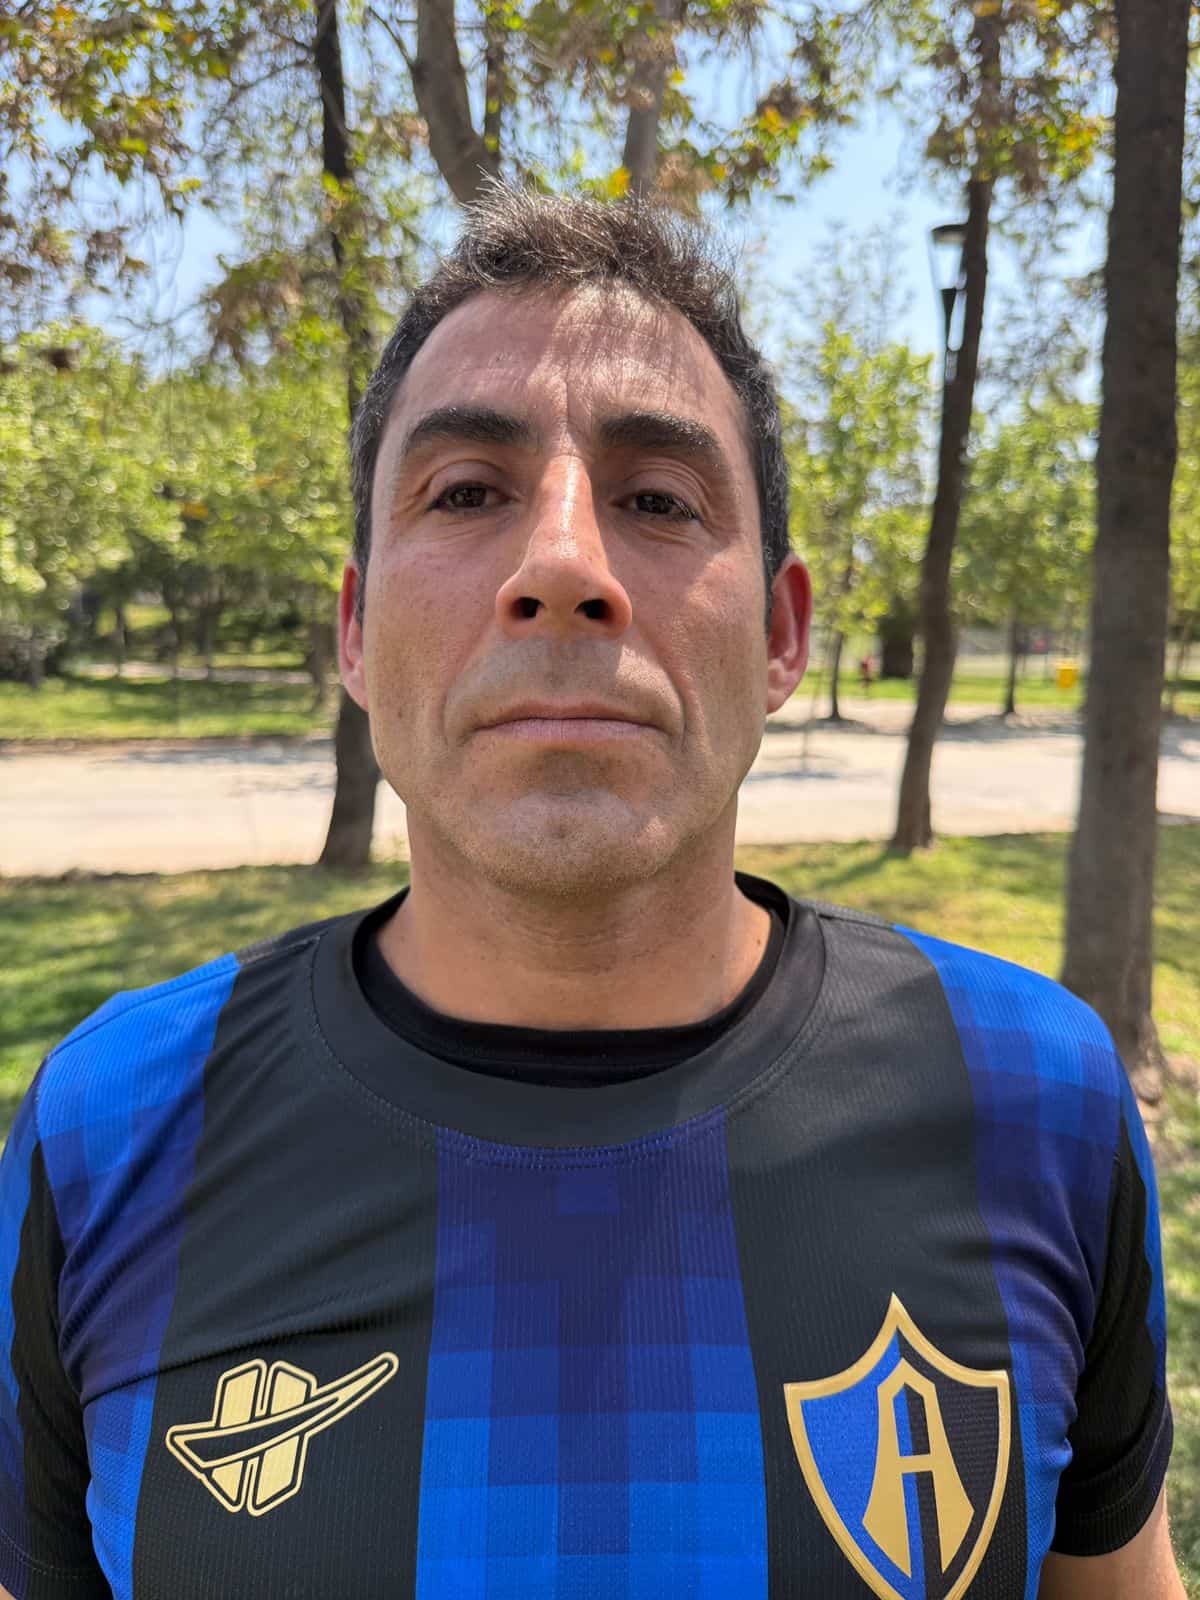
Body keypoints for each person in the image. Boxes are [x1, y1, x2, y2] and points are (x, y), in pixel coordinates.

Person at [0, 189, 1182, 1600]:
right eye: (466, 492)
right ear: (358, 631)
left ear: (783, 633)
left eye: (659, 500)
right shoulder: (111, 1126)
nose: (562, 565)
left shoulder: (1034, 1096)